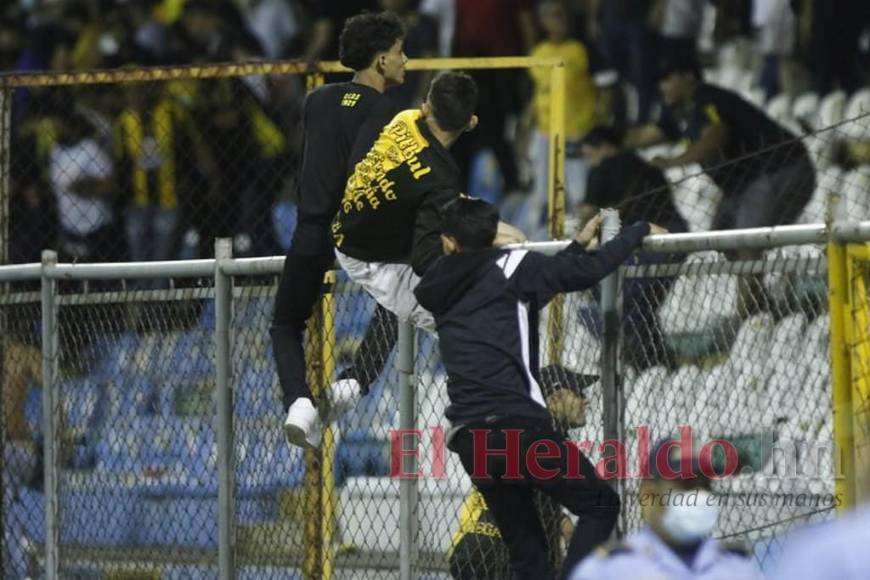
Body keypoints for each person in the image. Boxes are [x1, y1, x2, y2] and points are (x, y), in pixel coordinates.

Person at [414, 197, 667, 578]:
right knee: (599, 505)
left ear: (449, 241)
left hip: (472, 438)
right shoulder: (514, 266)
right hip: (519, 429)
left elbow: (531, 290)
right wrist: (638, 231)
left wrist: (577, 246)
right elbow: (584, 274)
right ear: (493, 231)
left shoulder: (440, 286)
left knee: (527, 551)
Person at [276, 12, 407, 449]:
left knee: (285, 324)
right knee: (401, 299)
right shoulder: (388, 111)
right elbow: (364, 175)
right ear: (382, 60)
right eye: (400, 52)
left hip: (309, 229)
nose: (406, 60)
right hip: (354, 231)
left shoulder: (316, 99)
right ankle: (352, 384)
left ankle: (298, 403)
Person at [627, 50, 816, 232]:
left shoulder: (708, 99)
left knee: (747, 241)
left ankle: (757, 264)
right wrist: (611, 142)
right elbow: (648, 135)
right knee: (722, 242)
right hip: (742, 185)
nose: (662, 86)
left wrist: (672, 162)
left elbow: (716, 137)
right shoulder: (680, 112)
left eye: (667, 79)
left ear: (689, 77)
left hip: (779, 169)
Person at [448, 365, 598, 580]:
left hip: (473, 542)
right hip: (499, 551)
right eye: (578, 393)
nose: (586, 400)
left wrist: (562, 522)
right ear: (554, 399)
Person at [570, 438, 763, 579]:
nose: (699, 496)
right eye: (686, 485)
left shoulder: (738, 567)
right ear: (649, 495)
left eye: (705, 485)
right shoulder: (610, 571)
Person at [580, 125, 687, 369]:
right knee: (641, 305)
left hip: (643, 244)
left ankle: (647, 362)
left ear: (604, 147)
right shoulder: (644, 165)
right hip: (674, 235)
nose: (589, 159)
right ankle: (654, 359)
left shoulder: (602, 171)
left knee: (630, 305)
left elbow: (588, 214)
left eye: (589, 153)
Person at [524, 0, 613, 235]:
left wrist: (602, 121)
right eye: (553, 15)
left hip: (577, 132)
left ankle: (583, 238)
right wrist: (526, 132)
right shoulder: (538, 53)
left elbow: (606, 86)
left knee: (579, 193)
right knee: (542, 193)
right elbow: (537, 95)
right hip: (544, 134)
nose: (560, 20)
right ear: (542, 22)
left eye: (562, 14)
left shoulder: (582, 49)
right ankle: (538, 239)